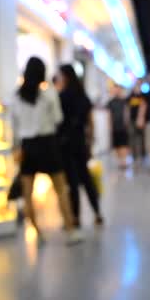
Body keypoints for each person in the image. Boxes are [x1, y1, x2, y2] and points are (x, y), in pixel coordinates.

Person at [11, 57, 81, 244]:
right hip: (48, 144)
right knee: (61, 189)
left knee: (27, 194)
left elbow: (14, 127)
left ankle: (37, 233)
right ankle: (70, 229)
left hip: (27, 147)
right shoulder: (49, 94)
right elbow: (58, 118)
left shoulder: (17, 97)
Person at [56, 64, 104, 228]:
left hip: (65, 144)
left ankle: (75, 218)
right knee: (87, 179)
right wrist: (90, 141)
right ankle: (97, 212)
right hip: (80, 141)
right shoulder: (83, 96)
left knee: (72, 183)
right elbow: (90, 122)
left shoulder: (61, 97)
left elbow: (57, 122)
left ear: (65, 77)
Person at [107, 84, 130, 169]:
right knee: (116, 145)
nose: (116, 91)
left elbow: (126, 112)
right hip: (114, 126)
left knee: (123, 144)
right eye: (115, 89)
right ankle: (120, 161)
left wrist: (126, 123)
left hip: (123, 126)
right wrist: (110, 126)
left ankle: (124, 161)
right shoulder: (111, 102)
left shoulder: (124, 101)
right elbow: (109, 115)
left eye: (118, 89)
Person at [127, 80, 146, 165]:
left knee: (141, 137)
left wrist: (141, 118)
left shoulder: (142, 96)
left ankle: (142, 153)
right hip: (132, 120)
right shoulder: (130, 96)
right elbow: (127, 107)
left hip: (141, 120)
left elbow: (144, 107)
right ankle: (134, 154)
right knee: (133, 137)